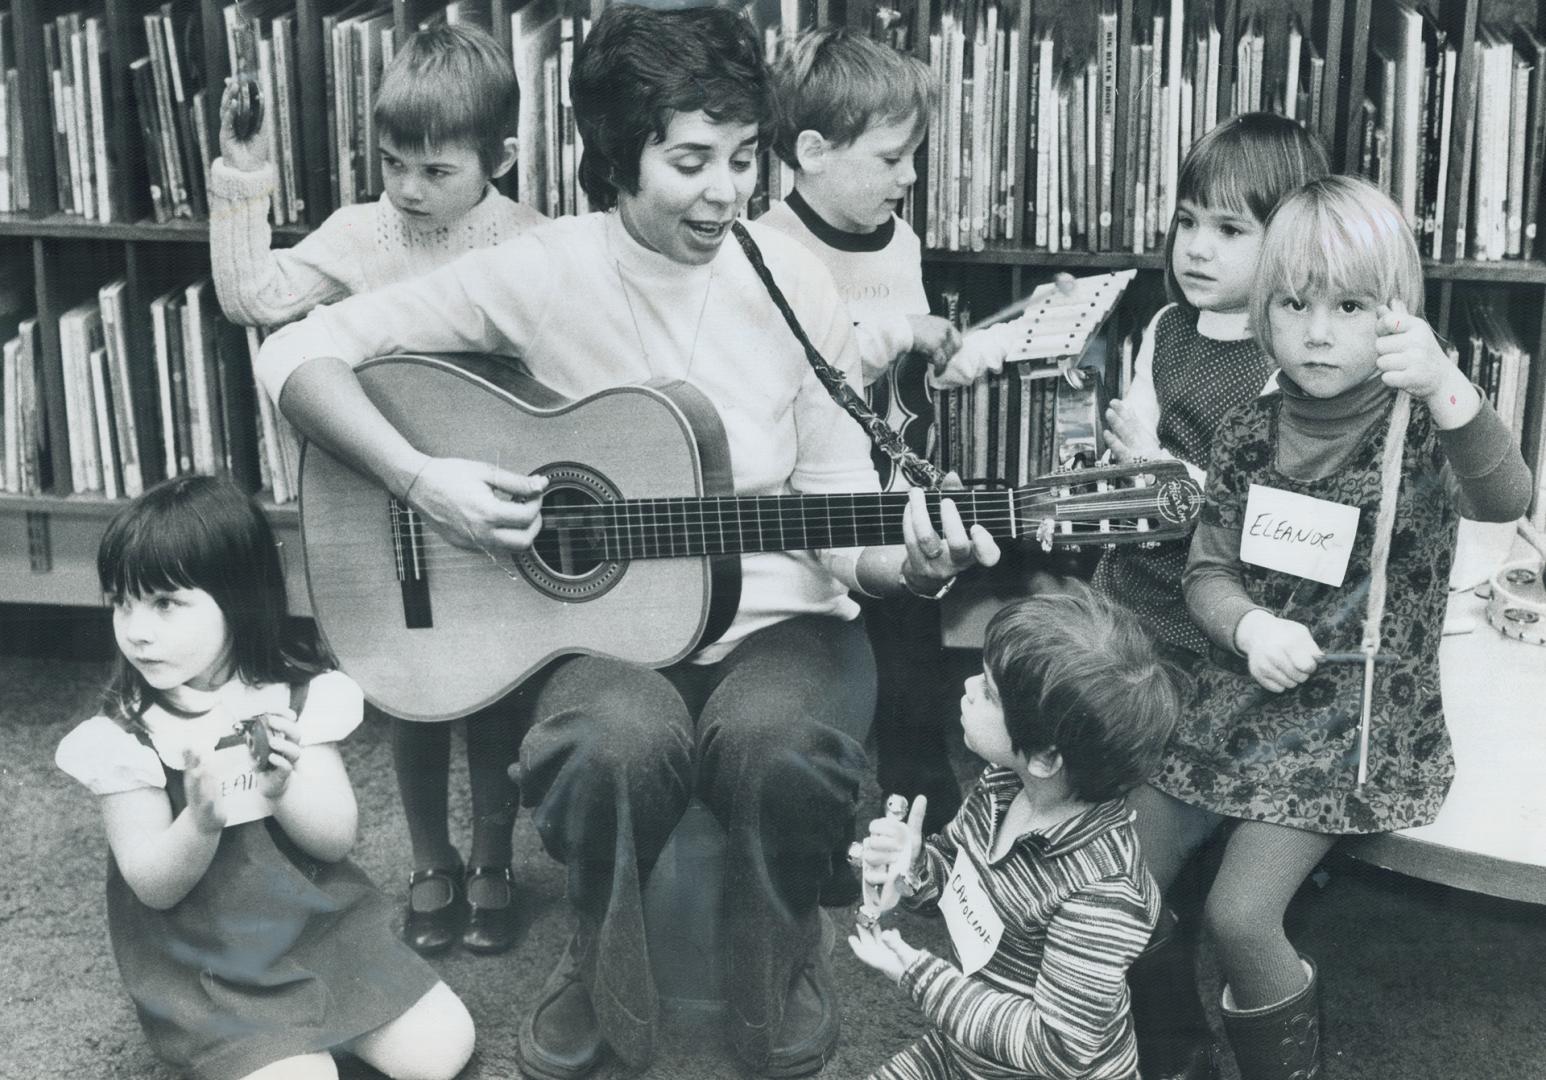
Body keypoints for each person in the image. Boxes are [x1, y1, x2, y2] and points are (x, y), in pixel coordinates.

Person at [253, 6, 998, 1078]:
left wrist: (911, 562)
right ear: (617, 157)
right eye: (689, 161)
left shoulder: (798, 287)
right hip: (597, 636)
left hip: (782, 627)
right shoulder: (545, 271)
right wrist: (426, 480)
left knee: (779, 750)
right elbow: (300, 351)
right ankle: (600, 966)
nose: (727, 192)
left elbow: (847, 523)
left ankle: (776, 955)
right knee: (606, 748)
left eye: (743, 159)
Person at [1132, 174, 1532, 1080]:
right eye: (1293, 303)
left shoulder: (1424, 426)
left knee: (1241, 915)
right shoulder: (1250, 427)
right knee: (1121, 874)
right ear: (1264, 311)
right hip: (1242, 686)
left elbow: (1507, 495)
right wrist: (1244, 629)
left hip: (1356, 714)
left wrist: (1449, 387)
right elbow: (1209, 570)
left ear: (1399, 314)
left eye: (1350, 306)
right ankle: (1175, 1049)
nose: (1317, 331)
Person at [208, 21, 548, 957]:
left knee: (491, 693)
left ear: (503, 158)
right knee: (406, 691)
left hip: (483, 512)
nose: (407, 188)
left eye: (436, 171)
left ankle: (492, 859)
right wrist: (245, 177)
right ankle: (431, 860)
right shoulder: (363, 233)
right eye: (392, 162)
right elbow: (253, 300)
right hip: (383, 500)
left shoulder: (534, 242)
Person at [53, 476, 475, 1080]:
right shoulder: (126, 735)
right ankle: (279, 1047)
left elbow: (335, 841)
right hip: (211, 964)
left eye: (165, 603)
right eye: (121, 601)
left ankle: (323, 1029)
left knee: (441, 1050)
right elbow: (152, 884)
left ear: (240, 598)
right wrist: (199, 823)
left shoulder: (292, 699)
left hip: (321, 933)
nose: (136, 628)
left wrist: (284, 790)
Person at [1087, 113, 1330, 1080]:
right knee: (1085, 830)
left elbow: (1262, 538)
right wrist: (1123, 468)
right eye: (1189, 221)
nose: (1196, 247)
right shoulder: (1162, 326)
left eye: (1231, 229)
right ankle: (1148, 1025)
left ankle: (1181, 1024)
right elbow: (1141, 474)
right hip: (1127, 598)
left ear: (1288, 243)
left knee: (1130, 842)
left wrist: (1155, 468)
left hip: (1213, 634)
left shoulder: (1287, 364)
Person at [761, 26, 971, 836]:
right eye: (891, 159)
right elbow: (815, 358)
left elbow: (895, 375)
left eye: (914, 157)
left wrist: (946, 355)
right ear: (813, 151)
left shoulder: (902, 239)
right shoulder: (769, 249)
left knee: (914, 673)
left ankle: (923, 816)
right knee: (822, 682)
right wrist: (902, 332)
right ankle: (817, 832)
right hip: (809, 508)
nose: (909, 178)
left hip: (896, 492)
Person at [849, 582, 1188, 1080]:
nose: (965, 687)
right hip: (968, 1047)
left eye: (988, 692)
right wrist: (916, 865)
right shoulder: (1004, 784)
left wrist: (918, 975)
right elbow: (958, 881)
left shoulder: (1102, 892)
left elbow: (1057, 1048)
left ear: (1046, 757)